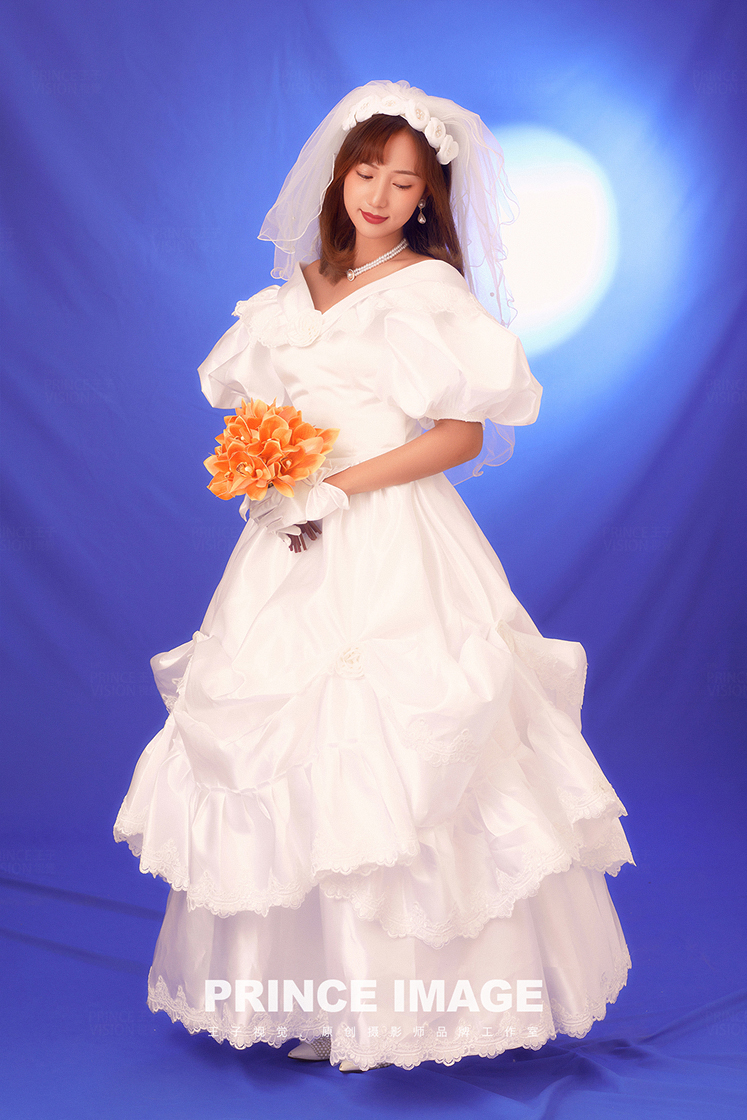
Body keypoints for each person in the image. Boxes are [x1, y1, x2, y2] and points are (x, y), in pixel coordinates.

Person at [113, 79, 634, 1074]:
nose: (382, 196)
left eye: (405, 182)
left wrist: (337, 487)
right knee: (285, 750)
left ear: (429, 196)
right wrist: (271, 470)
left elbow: (460, 433)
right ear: (338, 177)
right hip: (289, 540)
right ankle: (318, 991)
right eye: (367, 173)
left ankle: (406, 1006)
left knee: (405, 753)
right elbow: (265, 411)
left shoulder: (429, 291)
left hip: (390, 536)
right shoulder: (292, 291)